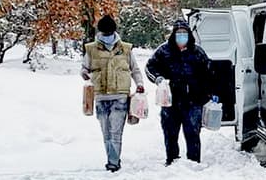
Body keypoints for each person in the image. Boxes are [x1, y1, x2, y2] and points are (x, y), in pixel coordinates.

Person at [81, 15, 145, 172]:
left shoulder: (125, 49)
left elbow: (134, 69)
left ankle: (113, 163)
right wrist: (85, 74)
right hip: (100, 96)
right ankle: (112, 157)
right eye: (104, 33)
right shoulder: (91, 49)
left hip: (120, 96)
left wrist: (140, 84)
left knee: (115, 132)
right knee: (106, 133)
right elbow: (84, 68)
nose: (107, 36)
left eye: (109, 32)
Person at [145, 19, 214, 164]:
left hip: (193, 101)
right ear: (173, 35)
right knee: (170, 133)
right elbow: (150, 67)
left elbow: (208, 73)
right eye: (179, 33)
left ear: (189, 34)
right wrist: (158, 79)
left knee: (193, 133)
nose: (181, 36)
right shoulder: (164, 51)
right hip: (170, 100)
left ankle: (194, 162)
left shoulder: (197, 52)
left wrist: (207, 94)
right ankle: (172, 161)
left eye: (184, 33)